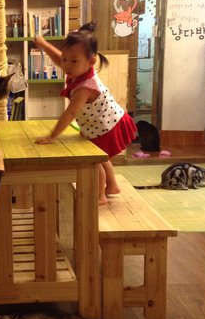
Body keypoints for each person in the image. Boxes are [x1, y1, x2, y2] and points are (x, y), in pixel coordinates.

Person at [34, 22, 136, 205]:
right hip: (100, 124)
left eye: (73, 61)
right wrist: (44, 45)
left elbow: (70, 113)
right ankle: (112, 185)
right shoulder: (78, 71)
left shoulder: (85, 87)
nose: (66, 65)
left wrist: (52, 136)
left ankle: (99, 196)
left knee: (94, 160)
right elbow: (59, 58)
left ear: (91, 62)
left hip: (107, 125)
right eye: (65, 59)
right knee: (102, 156)